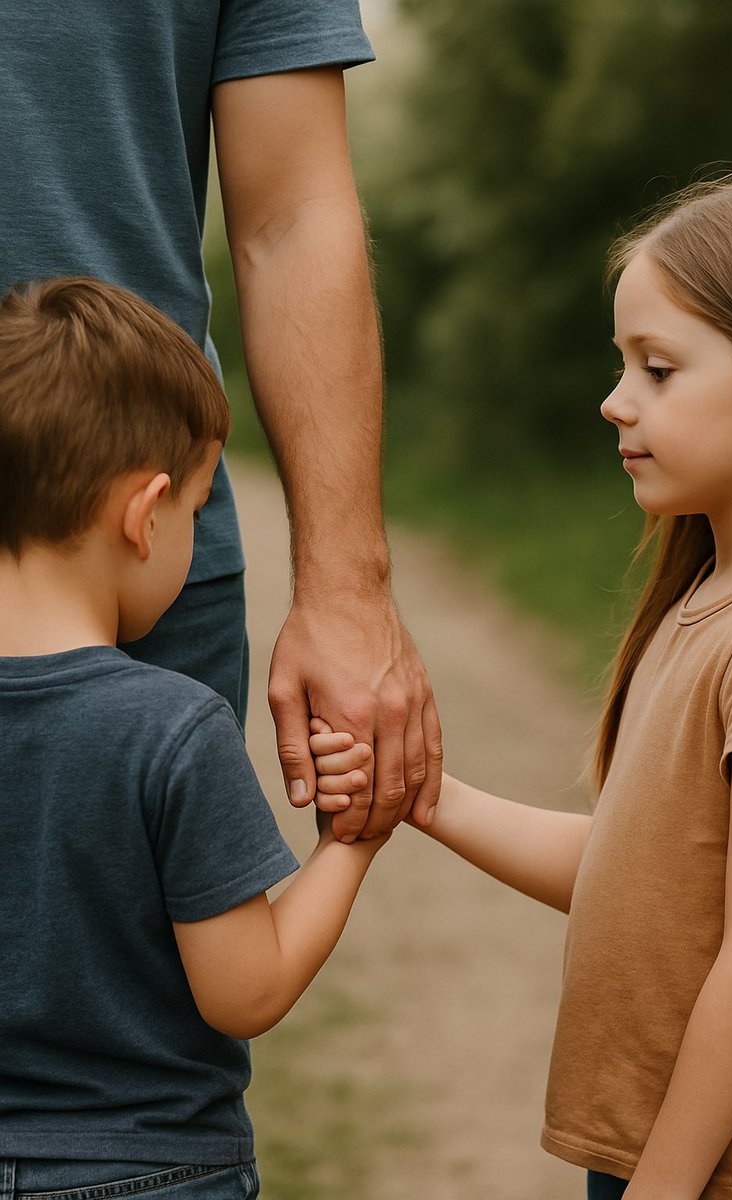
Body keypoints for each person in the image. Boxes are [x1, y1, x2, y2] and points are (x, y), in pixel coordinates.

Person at [313, 164, 732, 1199]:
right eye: (620, 363)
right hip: (641, 1160)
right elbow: (635, 875)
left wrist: (662, 1188)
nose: (613, 398)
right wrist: (420, 796)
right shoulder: (701, 602)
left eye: (657, 369)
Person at [1, 0, 442, 843]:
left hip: (139, 587)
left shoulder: (163, 725)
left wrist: (345, 592)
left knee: (136, 968)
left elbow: (292, 215)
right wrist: (357, 853)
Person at [0, 276, 387, 1197]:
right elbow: (245, 991)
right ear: (144, 514)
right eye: (201, 505)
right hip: (151, 1168)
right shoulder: (170, 729)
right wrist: (353, 841)